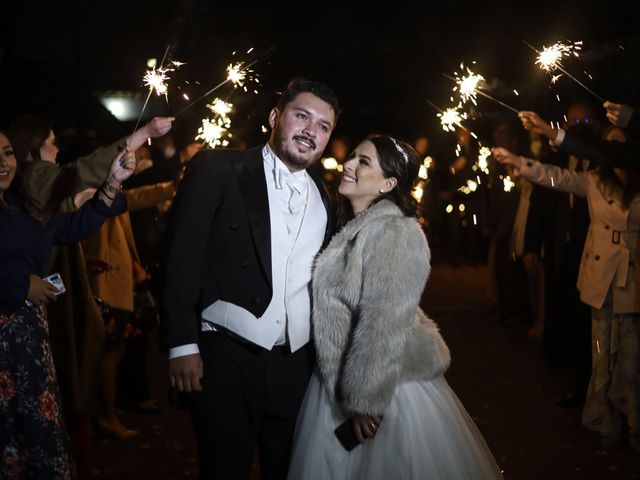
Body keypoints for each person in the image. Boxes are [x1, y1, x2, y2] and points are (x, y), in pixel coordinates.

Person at [287, 135, 504, 479]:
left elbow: (383, 321)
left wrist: (366, 401)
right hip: (339, 380)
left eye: (363, 162)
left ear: (389, 183)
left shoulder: (395, 232)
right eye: (353, 156)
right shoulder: (353, 226)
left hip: (382, 388)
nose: (348, 164)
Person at [163, 77, 340, 479]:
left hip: (295, 366)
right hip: (226, 358)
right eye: (302, 116)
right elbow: (181, 256)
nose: (311, 131)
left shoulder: (325, 196)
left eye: (324, 126)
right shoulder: (220, 168)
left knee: (288, 470)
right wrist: (181, 344)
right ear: (276, 117)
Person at [492, 122, 640, 450]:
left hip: (633, 277)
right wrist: (519, 163)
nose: (614, 150)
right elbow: (556, 177)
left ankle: (632, 421)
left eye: (621, 143)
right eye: (609, 143)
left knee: (631, 356)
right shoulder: (595, 181)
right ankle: (604, 420)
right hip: (602, 276)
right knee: (602, 352)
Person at [0, 130, 134, 478]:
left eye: (8, 153)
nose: (3, 163)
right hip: (3, 343)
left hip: (28, 343)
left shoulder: (18, 207)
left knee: (35, 438)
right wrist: (19, 284)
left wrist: (112, 185)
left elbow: (69, 228)